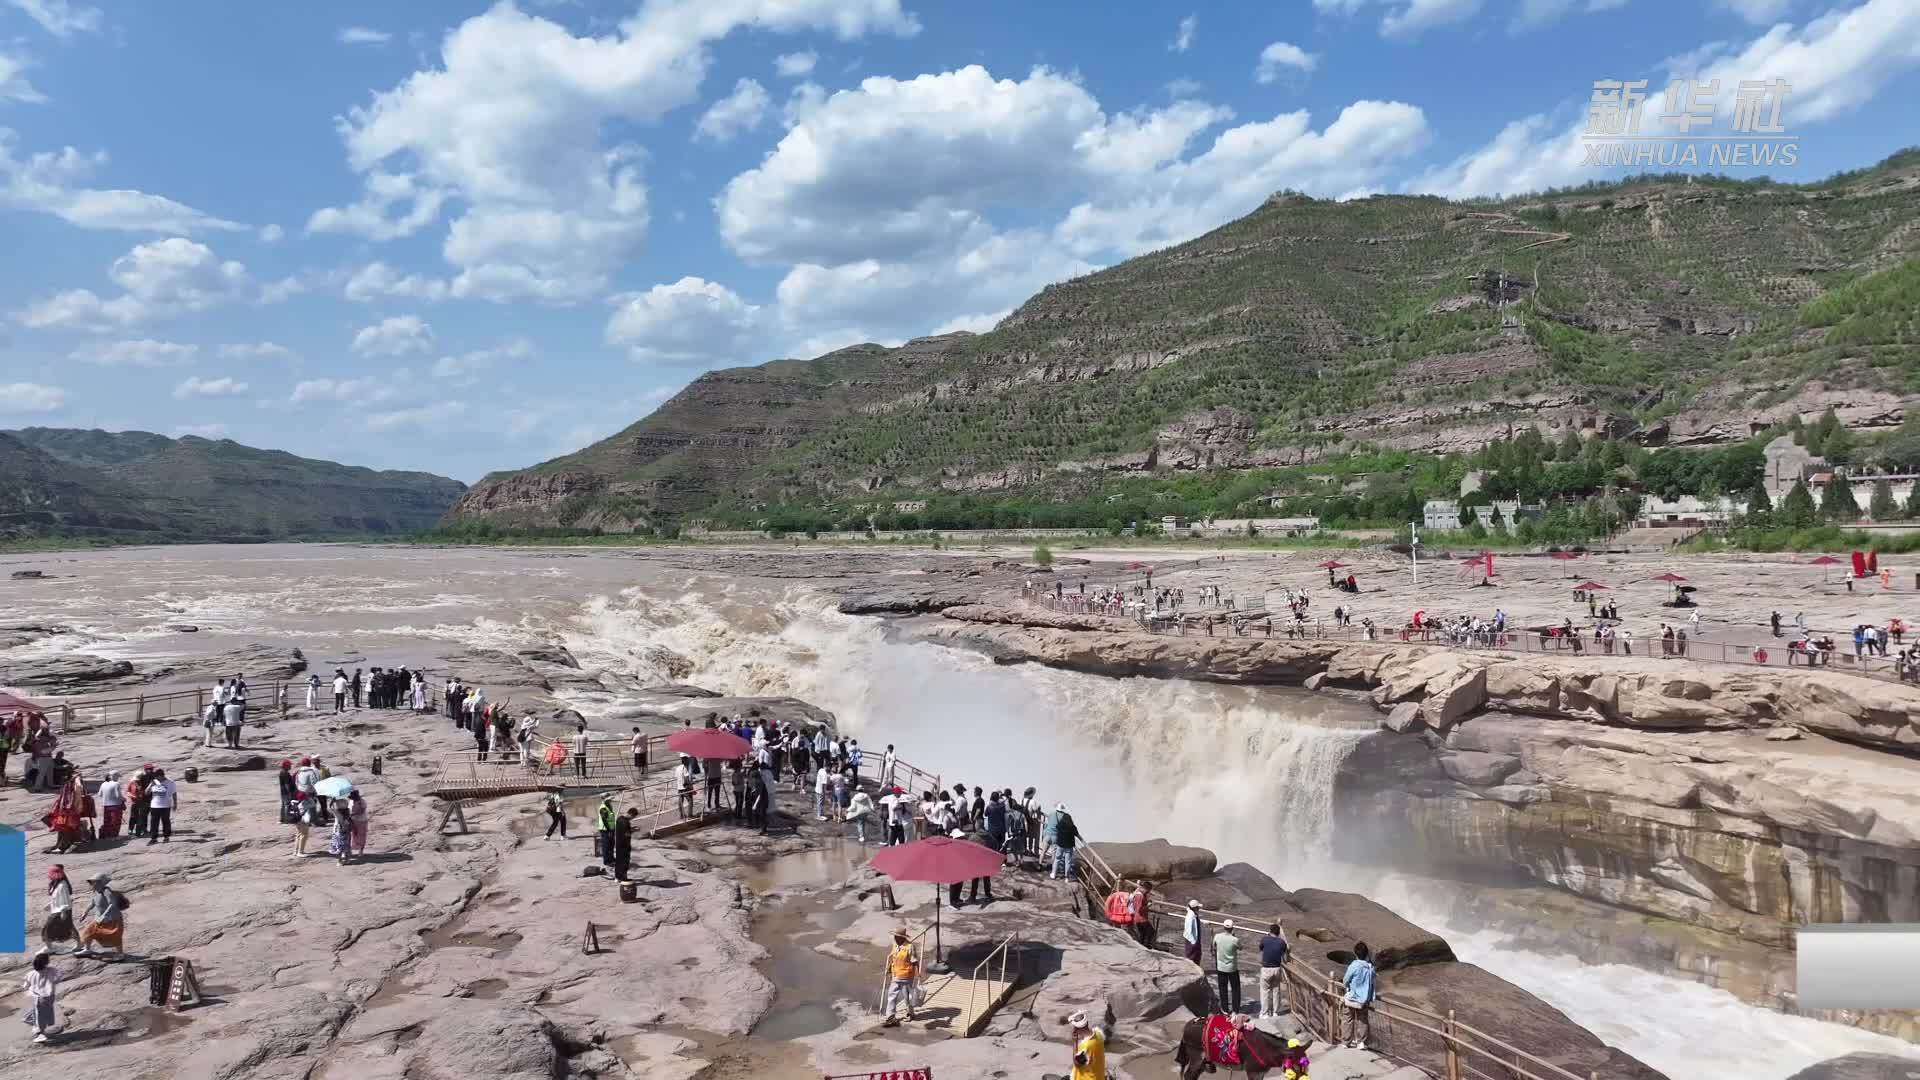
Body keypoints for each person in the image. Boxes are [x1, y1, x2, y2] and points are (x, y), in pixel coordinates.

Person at [76, 873, 124, 956]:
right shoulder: (96, 892)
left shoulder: (106, 891)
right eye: (91, 882)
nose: (92, 884)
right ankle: (87, 949)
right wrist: (85, 913)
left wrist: (105, 914)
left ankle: (120, 954)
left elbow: (112, 903)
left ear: (101, 882)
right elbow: (92, 903)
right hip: (99, 918)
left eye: (94, 882)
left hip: (112, 919)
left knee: (115, 936)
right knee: (88, 931)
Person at [1342, 940, 1377, 1049]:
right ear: (1366, 954)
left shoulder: (1354, 965)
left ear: (1355, 953)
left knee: (1348, 1019)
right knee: (1362, 1020)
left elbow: (1346, 980)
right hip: (1363, 1000)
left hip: (1352, 997)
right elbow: (1372, 981)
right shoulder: (1370, 968)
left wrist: (1348, 986)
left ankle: (1346, 1042)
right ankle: (1361, 1042)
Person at [881, 929, 920, 1026]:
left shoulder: (910, 947)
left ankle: (910, 1014)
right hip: (896, 975)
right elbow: (893, 957)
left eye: (897, 936)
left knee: (907, 997)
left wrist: (918, 974)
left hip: (907, 976)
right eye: (894, 936)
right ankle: (890, 1017)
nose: (894, 937)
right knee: (891, 996)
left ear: (902, 937)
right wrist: (889, 968)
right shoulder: (895, 944)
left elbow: (914, 961)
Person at [23, 952, 59, 1045]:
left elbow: (25, 987)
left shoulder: (30, 974)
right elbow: (59, 978)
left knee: (38, 1015)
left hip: (38, 997)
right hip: (50, 996)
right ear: (46, 963)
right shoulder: (52, 970)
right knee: (42, 1014)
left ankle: (40, 1034)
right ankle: (39, 1030)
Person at [1259, 922, 1289, 1017]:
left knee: (1265, 991)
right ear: (1278, 932)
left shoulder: (1265, 939)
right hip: (1277, 969)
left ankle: (1264, 1013)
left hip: (1266, 969)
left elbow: (1261, 948)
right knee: (1276, 990)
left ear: (1270, 931)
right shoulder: (1281, 942)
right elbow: (1285, 950)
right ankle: (1275, 1012)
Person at [43, 865, 75, 953]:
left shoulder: (62, 885)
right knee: (70, 927)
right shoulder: (55, 883)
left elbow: (65, 899)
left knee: (47, 929)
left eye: (50, 874)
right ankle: (80, 943)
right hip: (56, 910)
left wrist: (63, 912)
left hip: (60, 911)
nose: (49, 875)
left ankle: (50, 948)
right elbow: (57, 898)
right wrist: (50, 904)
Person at [1214, 918, 1243, 1014]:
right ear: (1232, 928)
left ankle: (1225, 1009)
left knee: (1223, 988)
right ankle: (1235, 1010)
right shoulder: (1235, 940)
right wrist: (1233, 937)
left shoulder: (1217, 936)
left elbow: (1213, 945)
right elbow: (1241, 948)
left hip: (1221, 967)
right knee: (1235, 989)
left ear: (1223, 927)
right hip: (1232, 968)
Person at [1068, 1010, 1106, 1080]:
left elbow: (1077, 1064)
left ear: (1076, 1029)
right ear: (1087, 1023)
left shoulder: (1085, 1047)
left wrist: (1075, 1042)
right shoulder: (1098, 1034)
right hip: (1099, 1076)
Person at [146, 767, 176, 843]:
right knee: (154, 822)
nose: (157, 779)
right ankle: (153, 838)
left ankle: (166, 837)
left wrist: (175, 803)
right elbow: (146, 793)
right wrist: (151, 785)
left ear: (162, 775)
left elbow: (174, 793)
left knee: (166, 821)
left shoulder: (170, 782)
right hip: (154, 805)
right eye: (156, 777)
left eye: (158, 777)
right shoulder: (154, 781)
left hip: (166, 805)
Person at [1050, 803, 1079, 880]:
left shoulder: (1060, 824)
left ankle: (1053, 873)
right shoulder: (1072, 826)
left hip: (1060, 845)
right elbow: (1076, 833)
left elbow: (1056, 827)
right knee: (1068, 862)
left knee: (1057, 859)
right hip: (1069, 846)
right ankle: (1067, 878)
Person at [613, 807, 636, 882]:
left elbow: (623, 830)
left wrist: (631, 829)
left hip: (619, 844)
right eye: (633, 817)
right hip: (624, 845)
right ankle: (623, 878)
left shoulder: (620, 819)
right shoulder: (625, 822)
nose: (632, 818)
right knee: (624, 862)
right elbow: (627, 834)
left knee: (618, 861)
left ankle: (617, 877)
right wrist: (635, 830)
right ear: (631, 814)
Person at [348, 789, 369, 859]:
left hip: (362, 820)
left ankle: (361, 850)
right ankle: (352, 849)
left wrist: (353, 814)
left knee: (362, 835)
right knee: (353, 835)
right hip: (353, 820)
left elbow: (362, 811)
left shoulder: (362, 801)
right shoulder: (351, 801)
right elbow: (349, 809)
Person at [1183, 899, 1204, 964]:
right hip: (1192, 941)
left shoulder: (1193, 914)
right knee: (1192, 958)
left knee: (1196, 957)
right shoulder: (1191, 916)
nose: (1198, 909)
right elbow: (1188, 930)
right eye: (1198, 907)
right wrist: (1193, 942)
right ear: (1194, 908)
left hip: (1194, 940)